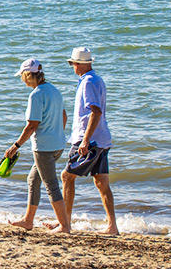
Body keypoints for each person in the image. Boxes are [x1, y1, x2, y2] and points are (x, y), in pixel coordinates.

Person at [4, 58, 71, 234]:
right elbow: (64, 116)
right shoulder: (54, 90)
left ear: (28, 75)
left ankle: (64, 226)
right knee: (33, 180)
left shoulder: (36, 95)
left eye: (22, 77)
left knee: (51, 186)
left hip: (44, 148)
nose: (22, 81)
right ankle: (28, 220)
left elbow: (32, 125)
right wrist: (57, 134)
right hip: (58, 145)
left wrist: (15, 146)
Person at [57, 47, 119, 235]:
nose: (72, 67)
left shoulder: (88, 82)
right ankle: (112, 226)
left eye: (73, 64)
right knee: (101, 182)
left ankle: (65, 224)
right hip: (101, 139)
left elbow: (95, 111)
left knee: (67, 177)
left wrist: (85, 140)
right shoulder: (96, 80)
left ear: (80, 64)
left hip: (89, 140)